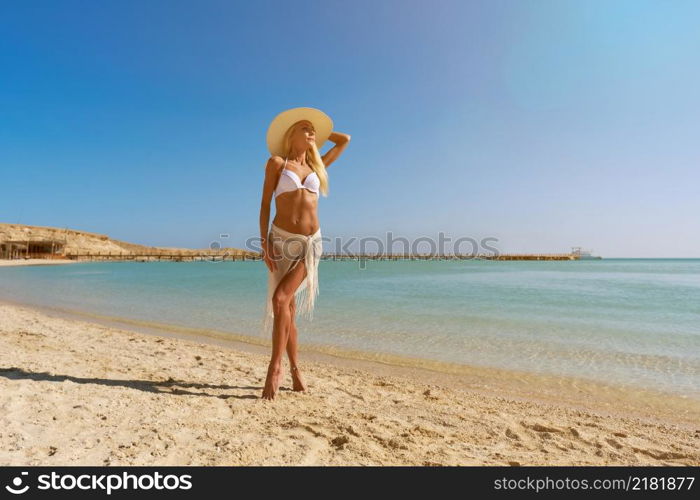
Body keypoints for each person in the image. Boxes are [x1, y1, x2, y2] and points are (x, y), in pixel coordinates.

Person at [259, 107, 351, 400]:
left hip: (311, 242)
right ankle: (297, 371)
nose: (311, 133)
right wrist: (264, 242)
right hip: (281, 240)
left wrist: (317, 134)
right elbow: (264, 205)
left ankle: (275, 368)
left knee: (281, 299)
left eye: (314, 130)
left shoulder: (317, 167)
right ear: (291, 134)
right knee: (288, 311)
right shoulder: (276, 164)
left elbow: (344, 139)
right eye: (305, 129)